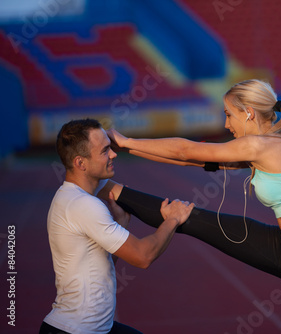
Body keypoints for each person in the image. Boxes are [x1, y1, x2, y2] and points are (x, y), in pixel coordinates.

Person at [106, 79, 281, 334]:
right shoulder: (266, 144)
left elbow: (184, 151)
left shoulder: (261, 145)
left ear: (248, 113)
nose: (226, 124)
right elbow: (191, 160)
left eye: (229, 115)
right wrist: (126, 149)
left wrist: (126, 141)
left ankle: (113, 190)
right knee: (190, 219)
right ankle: (113, 191)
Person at [40, 119, 194, 334]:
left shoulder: (70, 196)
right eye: (105, 151)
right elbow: (143, 256)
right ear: (80, 163)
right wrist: (173, 219)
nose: (113, 154)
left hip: (93, 328)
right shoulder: (83, 205)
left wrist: (121, 223)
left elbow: (95, 264)